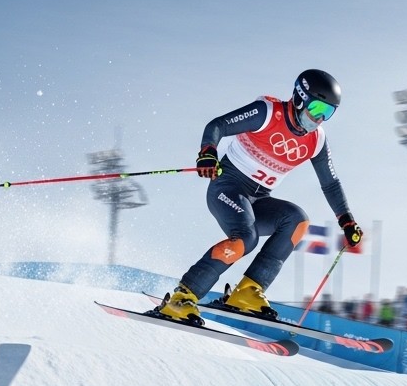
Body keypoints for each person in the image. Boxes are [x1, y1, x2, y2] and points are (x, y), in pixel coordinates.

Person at [155, 69, 363, 324]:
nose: (319, 118)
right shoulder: (267, 113)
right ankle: (182, 298)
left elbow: (330, 183)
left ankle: (247, 293)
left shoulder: (316, 140)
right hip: (228, 187)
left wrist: (347, 220)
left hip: (259, 199)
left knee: (297, 220)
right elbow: (218, 125)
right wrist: (208, 152)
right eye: (317, 108)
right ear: (300, 98)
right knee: (247, 237)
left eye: (328, 113)